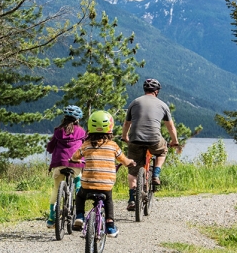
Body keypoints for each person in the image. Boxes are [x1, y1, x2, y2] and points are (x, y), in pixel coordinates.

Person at [71, 110, 135, 238]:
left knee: (80, 196)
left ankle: (79, 217)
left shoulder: (86, 145)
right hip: (106, 185)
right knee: (108, 200)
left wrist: (74, 159)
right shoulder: (113, 146)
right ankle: (110, 227)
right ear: (110, 128)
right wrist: (130, 162)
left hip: (88, 184)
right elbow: (124, 160)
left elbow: (74, 156)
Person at [121, 78, 179, 211]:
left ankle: (131, 199)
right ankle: (156, 174)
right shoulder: (163, 105)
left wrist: (125, 137)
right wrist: (174, 141)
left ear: (144, 90)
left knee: (133, 169)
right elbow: (170, 126)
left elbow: (126, 124)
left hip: (135, 139)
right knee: (162, 151)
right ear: (156, 91)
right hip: (154, 140)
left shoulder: (134, 102)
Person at [46, 105, 86, 228]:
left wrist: (50, 148)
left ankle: (52, 218)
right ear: (77, 120)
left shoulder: (58, 131)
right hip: (75, 163)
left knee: (56, 188)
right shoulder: (82, 132)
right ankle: (79, 214)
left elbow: (50, 147)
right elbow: (85, 147)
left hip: (59, 163)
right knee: (78, 182)